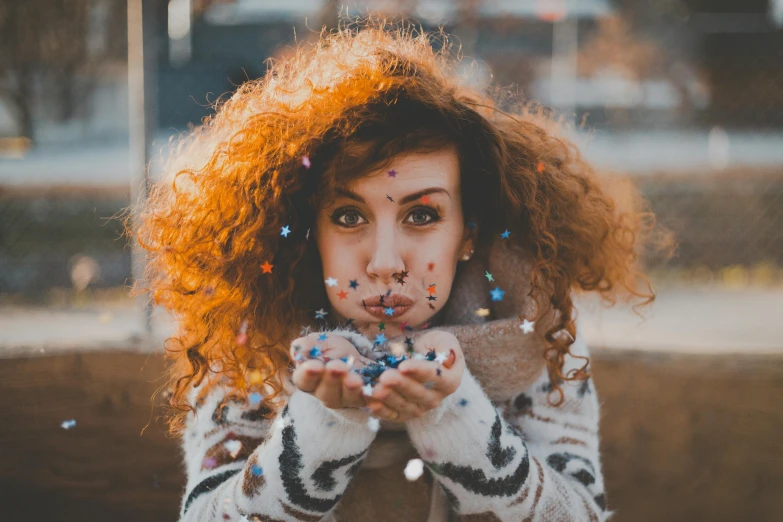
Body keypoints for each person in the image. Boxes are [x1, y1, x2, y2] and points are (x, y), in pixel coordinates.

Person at [132, 19, 665, 522]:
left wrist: (457, 418)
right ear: (307, 227)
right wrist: (323, 427)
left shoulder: (536, 335)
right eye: (348, 216)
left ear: (468, 234)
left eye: (421, 215)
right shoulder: (248, 339)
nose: (385, 263)